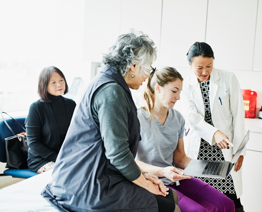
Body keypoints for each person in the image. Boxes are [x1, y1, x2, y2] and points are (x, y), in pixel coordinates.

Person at [41, 32, 180, 212]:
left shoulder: (110, 82)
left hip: (97, 173)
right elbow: (118, 154)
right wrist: (145, 184)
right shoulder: (111, 91)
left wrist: (144, 175)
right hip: (87, 184)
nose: (148, 75)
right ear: (133, 66)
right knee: (169, 205)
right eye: (148, 67)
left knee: (172, 196)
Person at [136, 66, 235, 212]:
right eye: (174, 91)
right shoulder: (137, 118)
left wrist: (210, 168)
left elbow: (180, 158)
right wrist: (162, 172)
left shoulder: (177, 118)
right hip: (152, 181)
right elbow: (129, 161)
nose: (178, 97)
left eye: (180, 92)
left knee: (227, 204)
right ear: (158, 88)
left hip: (176, 178)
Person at [180, 42, 246, 212]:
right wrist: (215, 133)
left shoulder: (228, 78)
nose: (204, 72)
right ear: (190, 65)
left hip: (225, 149)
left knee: (231, 200)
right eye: (199, 67)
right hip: (199, 151)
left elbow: (238, 116)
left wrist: (240, 152)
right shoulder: (186, 84)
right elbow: (192, 117)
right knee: (204, 201)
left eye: (209, 66)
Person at [26, 66, 76, 173]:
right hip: (41, 159)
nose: (59, 85)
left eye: (61, 80)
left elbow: (76, 134)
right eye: (53, 82)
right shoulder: (36, 107)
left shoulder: (71, 104)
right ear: (44, 85)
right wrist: (58, 158)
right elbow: (33, 143)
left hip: (66, 157)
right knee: (68, 172)